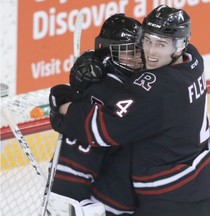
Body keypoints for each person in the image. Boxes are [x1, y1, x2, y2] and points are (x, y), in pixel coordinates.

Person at [50, 5, 210, 215]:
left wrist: (64, 105)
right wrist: (102, 61)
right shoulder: (193, 59)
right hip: (202, 190)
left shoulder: (157, 90)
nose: (150, 52)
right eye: (147, 41)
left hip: (169, 202)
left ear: (179, 45)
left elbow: (103, 129)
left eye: (161, 44)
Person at [48, 14, 143, 216]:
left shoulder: (138, 80)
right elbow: (77, 155)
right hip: (113, 200)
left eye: (139, 49)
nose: (136, 57)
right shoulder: (103, 92)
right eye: (127, 51)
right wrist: (66, 199)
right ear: (110, 53)